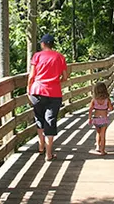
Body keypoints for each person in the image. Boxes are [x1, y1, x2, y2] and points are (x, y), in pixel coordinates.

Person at [27, 33, 68, 161]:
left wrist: (28, 90)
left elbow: (32, 76)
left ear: (43, 44)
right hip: (54, 93)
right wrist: (55, 82)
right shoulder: (60, 57)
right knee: (50, 120)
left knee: (39, 117)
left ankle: (41, 146)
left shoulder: (37, 56)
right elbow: (65, 77)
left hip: (37, 91)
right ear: (52, 44)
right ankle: (48, 154)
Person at [90, 81, 114, 156]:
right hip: (103, 119)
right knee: (103, 135)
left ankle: (97, 146)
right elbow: (111, 108)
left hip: (96, 119)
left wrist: (89, 118)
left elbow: (90, 109)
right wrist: (108, 106)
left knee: (98, 133)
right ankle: (102, 151)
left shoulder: (94, 100)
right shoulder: (107, 100)